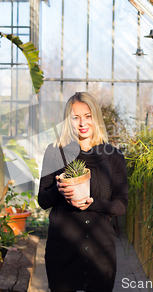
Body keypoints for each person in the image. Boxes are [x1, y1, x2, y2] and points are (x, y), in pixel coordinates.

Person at [38, 92, 128, 292]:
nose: (82, 123)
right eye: (75, 117)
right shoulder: (55, 152)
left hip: (100, 254)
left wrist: (94, 203)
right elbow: (43, 200)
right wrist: (58, 190)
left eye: (88, 116)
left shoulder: (114, 156)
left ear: (96, 117)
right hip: (62, 251)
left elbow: (121, 204)